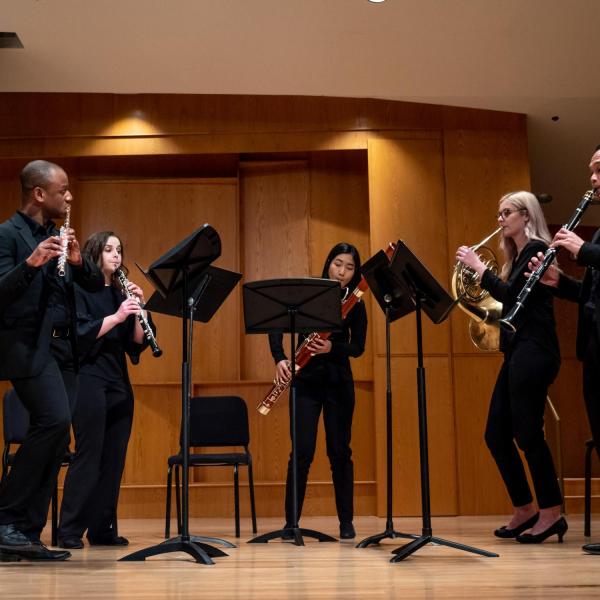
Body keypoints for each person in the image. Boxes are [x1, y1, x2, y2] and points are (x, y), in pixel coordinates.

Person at [0, 160, 104, 561]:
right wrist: (31, 264)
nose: (70, 197)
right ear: (39, 194)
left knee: (60, 439)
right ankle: (6, 517)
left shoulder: (57, 235)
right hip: (29, 348)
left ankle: (26, 532)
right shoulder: (7, 235)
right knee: (55, 420)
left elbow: (95, 283)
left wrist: (77, 261)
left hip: (65, 351)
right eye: (64, 190)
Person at [456, 191, 567, 544]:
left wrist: (478, 267)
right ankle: (525, 507)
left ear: (526, 215)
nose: (500, 219)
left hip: (535, 352)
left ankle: (551, 512)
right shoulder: (517, 255)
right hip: (517, 351)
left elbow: (510, 294)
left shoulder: (536, 249)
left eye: (507, 212)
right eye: (499, 212)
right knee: (496, 434)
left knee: (528, 434)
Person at [57, 232, 155, 549]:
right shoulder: (80, 289)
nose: (116, 255)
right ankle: (69, 530)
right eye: (109, 249)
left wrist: (141, 310)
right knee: (89, 455)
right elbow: (81, 333)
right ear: (94, 254)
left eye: (119, 250)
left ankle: (102, 529)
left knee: (114, 459)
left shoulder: (120, 293)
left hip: (118, 381)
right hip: (88, 378)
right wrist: (116, 316)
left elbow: (135, 344)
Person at [269, 243, 367, 540]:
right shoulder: (307, 293)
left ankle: (346, 523)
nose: (342, 271)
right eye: (338, 264)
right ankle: (291, 523)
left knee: (340, 452)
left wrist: (332, 347)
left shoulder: (356, 302)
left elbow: (358, 347)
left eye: (350, 268)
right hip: (306, 382)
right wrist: (280, 357)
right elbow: (276, 325)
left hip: (339, 383)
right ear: (328, 263)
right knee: (301, 453)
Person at [529, 146, 600, 554]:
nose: (592, 179)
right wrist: (562, 283)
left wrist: (582, 249)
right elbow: (593, 295)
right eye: (590, 171)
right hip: (593, 349)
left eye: (598, 170)